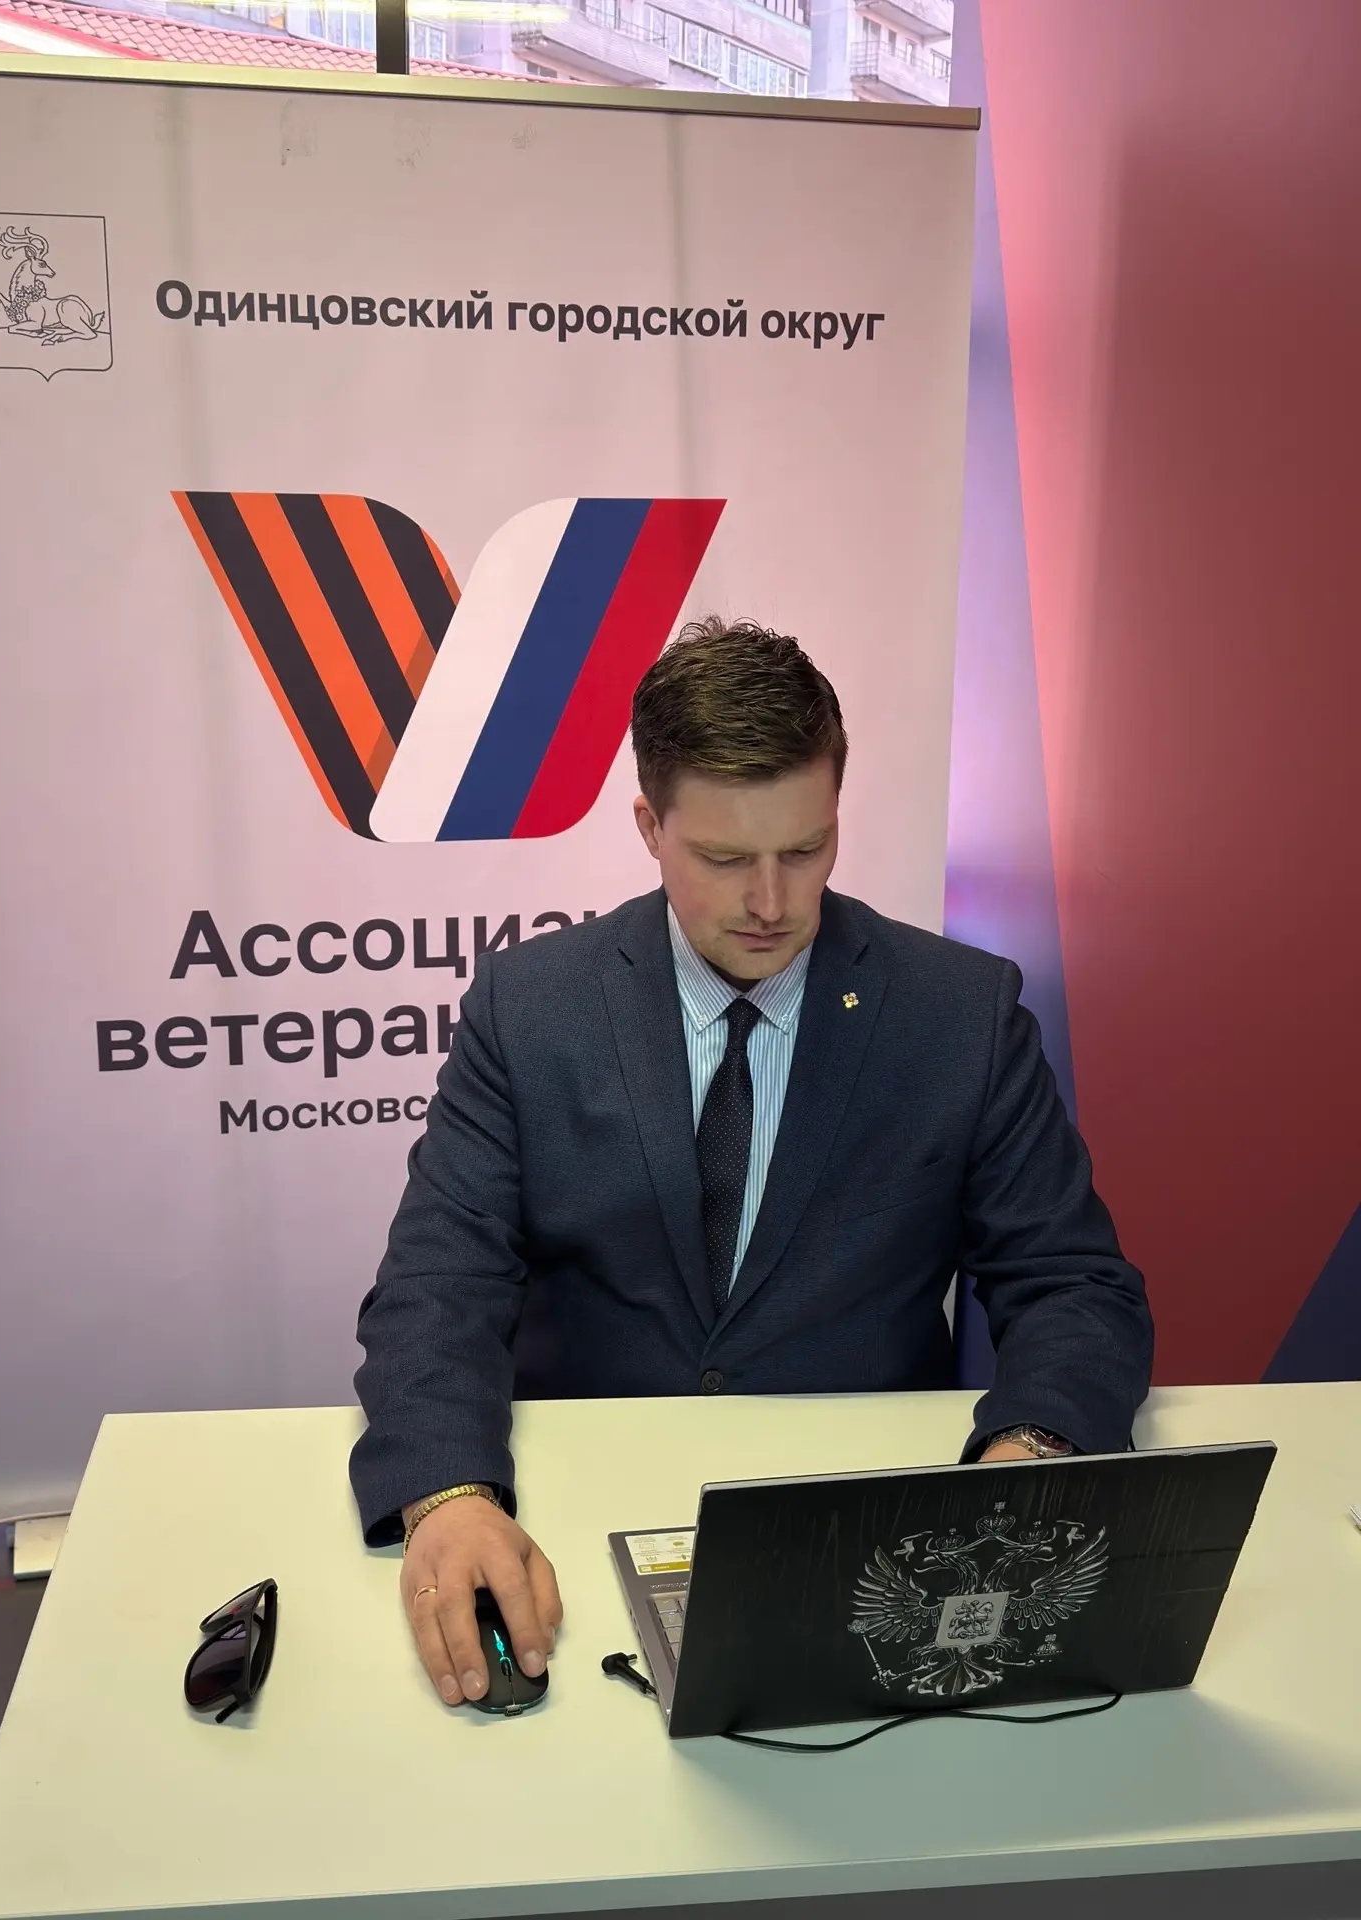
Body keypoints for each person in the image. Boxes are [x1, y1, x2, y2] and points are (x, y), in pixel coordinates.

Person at [351, 618, 1153, 1708]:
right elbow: (438, 1280)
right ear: (649, 826)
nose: (772, 903)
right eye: (726, 860)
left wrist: (1032, 1453)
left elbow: (1074, 1285)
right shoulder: (530, 1007)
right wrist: (448, 1494)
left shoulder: (961, 1016)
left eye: (806, 851)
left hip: (868, 1528)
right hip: (577, 1512)